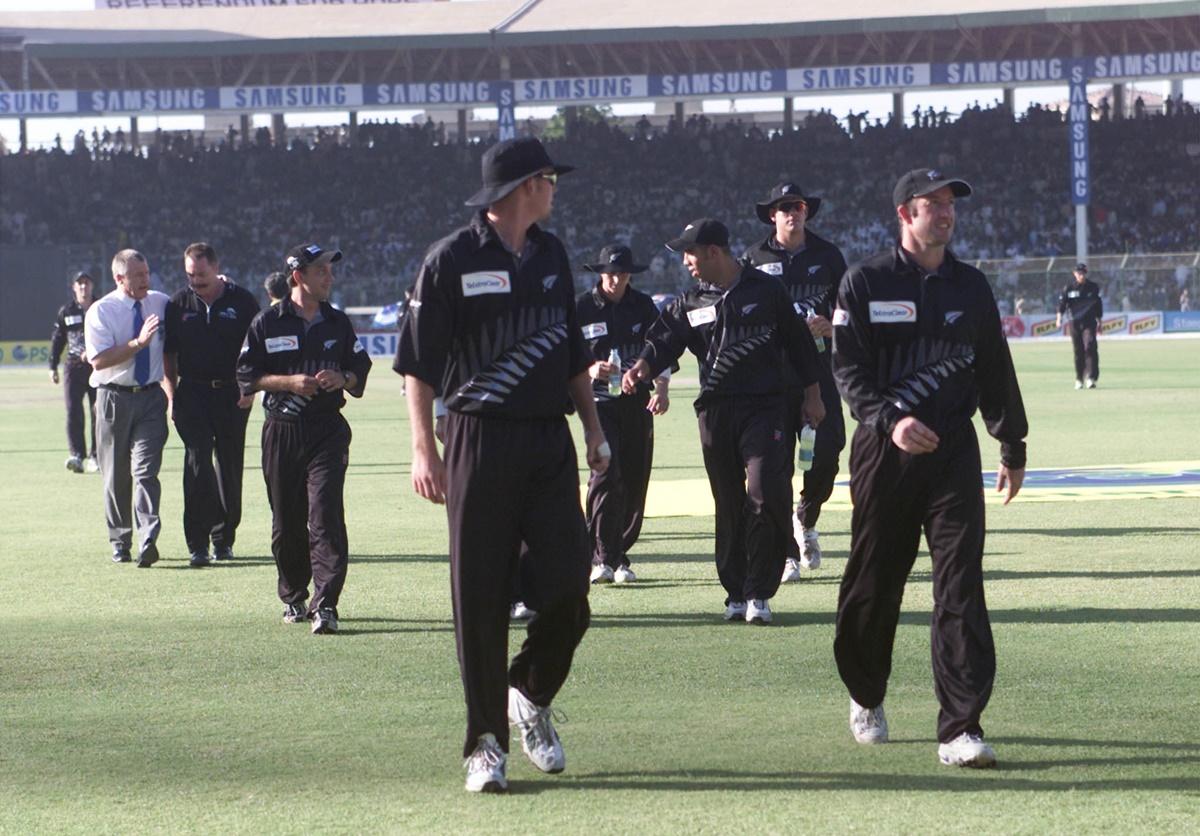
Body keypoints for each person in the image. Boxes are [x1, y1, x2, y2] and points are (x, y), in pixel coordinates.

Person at [394, 136, 608, 794]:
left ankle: (530, 693)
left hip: (549, 440)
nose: (555, 188)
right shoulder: (450, 260)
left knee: (571, 588)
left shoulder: (552, 253)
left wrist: (596, 430)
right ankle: (485, 743)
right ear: (522, 188)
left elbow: (572, 353)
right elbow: (417, 366)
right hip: (477, 441)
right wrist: (423, 449)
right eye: (549, 178)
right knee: (478, 598)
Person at [831, 169, 1028, 768]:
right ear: (903, 214)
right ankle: (866, 692)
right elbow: (848, 372)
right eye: (931, 205)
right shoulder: (863, 282)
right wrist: (890, 419)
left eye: (949, 205)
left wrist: (1011, 442)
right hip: (883, 452)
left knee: (961, 582)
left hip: (952, 454)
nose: (944, 214)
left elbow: (993, 366)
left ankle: (960, 727)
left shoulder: (971, 286)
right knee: (874, 583)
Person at [624, 218, 824, 626]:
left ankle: (760, 592)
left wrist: (813, 394)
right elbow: (664, 339)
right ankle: (735, 591)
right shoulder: (691, 301)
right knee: (728, 501)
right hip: (715, 411)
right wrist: (643, 366)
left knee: (765, 490)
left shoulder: (766, 291)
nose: (685, 262)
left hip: (766, 407)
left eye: (690, 253)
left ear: (714, 251)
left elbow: (800, 344)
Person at [236, 243, 372, 635]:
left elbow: (359, 368)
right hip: (281, 432)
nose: (330, 278)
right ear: (299, 277)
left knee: (325, 516)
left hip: (327, 430)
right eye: (322, 271)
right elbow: (247, 375)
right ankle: (294, 595)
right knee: (286, 522)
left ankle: (326, 604)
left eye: (330, 271)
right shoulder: (266, 323)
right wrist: (287, 383)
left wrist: (342, 378)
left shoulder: (338, 322)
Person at [742, 182, 848, 580]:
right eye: (784, 207)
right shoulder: (752, 258)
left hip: (820, 372)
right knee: (776, 464)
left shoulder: (828, 256)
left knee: (828, 451)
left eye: (799, 206)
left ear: (807, 212)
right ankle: (786, 549)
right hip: (773, 377)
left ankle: (805, 516)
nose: (793, 212)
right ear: (772, 214)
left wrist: (831, 326)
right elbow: (741, 313)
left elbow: (851, 309)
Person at [576, 244, 671, 585]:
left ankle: (618, 556)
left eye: (623, 274)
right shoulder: (582, 308)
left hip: (637, 404)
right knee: (605, 474)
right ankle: (601, 557)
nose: (617, 280)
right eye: (611, 274)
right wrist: (589, 368)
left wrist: (661, 389)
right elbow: (565, 355)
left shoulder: (644, 306)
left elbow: (661, 349)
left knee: (633, 479)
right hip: (598, 404)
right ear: (600, 274)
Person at [163, 243, 260, 567]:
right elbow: (169, 354)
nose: (195, 280)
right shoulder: (178, 303)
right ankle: (197, 543)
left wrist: (251, 388)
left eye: (201, 274)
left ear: (216, 268)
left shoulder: (243, 301)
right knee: (197, 463)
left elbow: (257, 350)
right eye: (190, 274)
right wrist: (171, 394)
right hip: (191, 393)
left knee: (230, 467)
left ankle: (224, 539)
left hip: (233, 394)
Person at [84, 249, 170, 567]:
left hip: (150, 398)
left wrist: (220, 281)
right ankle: (121, 539)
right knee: (116, 474)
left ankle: (149, 536)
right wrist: (137, 344)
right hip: (113, 398)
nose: (145, 280)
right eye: (137, 276)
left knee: (145, 470)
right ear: (120, 278)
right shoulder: (101, 311)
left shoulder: (159, 302)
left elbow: (189, 301)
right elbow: (98, 360)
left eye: (146, 273)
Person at [50, 271, 98, 474]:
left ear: (92, 286)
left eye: (86, 283)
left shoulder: (100, 307)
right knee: (73, 410)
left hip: (98, 366)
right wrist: (53, 366)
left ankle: (97, 456)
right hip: (73, 367)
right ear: (74, 287)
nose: (83, 287)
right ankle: (77, 455)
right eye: (80, 284)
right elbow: (58, 338)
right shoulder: (67, 311)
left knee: (99, 412)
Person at [1056, 263, 1103, 389]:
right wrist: (1059, 319)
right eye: (1079, 273)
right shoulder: (1069, 288)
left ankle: (1091, 378)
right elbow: (1062, 305)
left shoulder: (1093, 287)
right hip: (1074, 323)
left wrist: (1100, 321)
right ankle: (1079, 378)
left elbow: (1098, 305)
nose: (1081, 275)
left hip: (1089, 322)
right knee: (1078, 351)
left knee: (1090, 346)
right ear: (1074, 274)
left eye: (1083, 273)